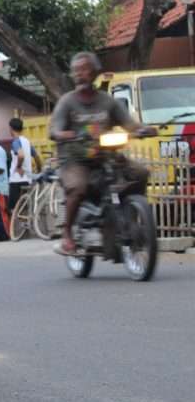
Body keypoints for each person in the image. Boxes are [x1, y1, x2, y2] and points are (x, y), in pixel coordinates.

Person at [50, 52, 155, 255]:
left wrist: (143, 130)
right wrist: (65, 134)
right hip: (74, 159)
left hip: (106, 155)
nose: (81, 74)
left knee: (140, 172)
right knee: (78, 187)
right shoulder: (67, 102)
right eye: (77, 71)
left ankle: (131, 210)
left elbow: (129, 124)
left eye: (85, 69)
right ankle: (67, 234)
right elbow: (54, 130)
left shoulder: (107, 101)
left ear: (95, 72)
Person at [8, 117, 33, 213]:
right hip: (27, 180)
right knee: (24, 209)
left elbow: (21, 155)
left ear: (10, 128)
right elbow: (37, 157)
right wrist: (38, 169)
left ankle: (17, 228)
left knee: (14, 210)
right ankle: (25, 227)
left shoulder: (16, 142)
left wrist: (18, 166)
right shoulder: (27, 142)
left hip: (16, 180)